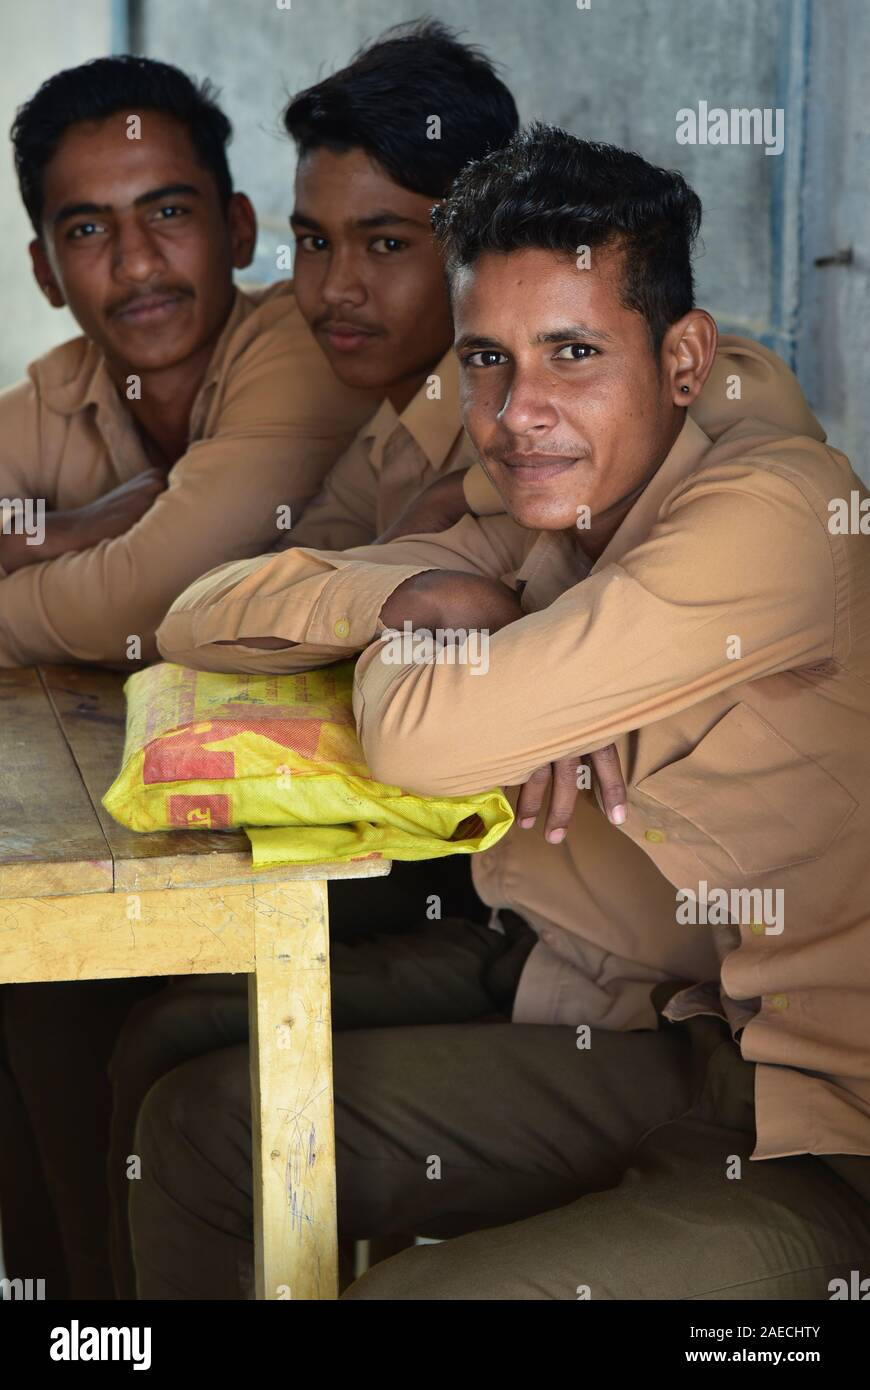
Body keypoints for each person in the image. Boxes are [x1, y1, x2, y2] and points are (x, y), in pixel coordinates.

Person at [137, 127, 870, 1300]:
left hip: (834, 1136)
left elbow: (425, 740)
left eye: (574, 352)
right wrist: (425, 602)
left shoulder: (777, 512)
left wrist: (474, 650)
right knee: (198, 1126)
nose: (520, 410)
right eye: (488, 359)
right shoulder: (538, 517)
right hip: (685, 1039)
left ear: (683, 362)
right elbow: (201, 611)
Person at [0, 52, 377, 1301]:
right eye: (88, 229)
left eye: (168, 211)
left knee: (66, 1002)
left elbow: (146, 599)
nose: (138, 261)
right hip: (189, 826)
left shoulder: (299, 353)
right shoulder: (62, 394)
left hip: (400, 854)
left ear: (239, 227)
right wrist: (106, 517)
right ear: (47, 268)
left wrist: (82, 541)